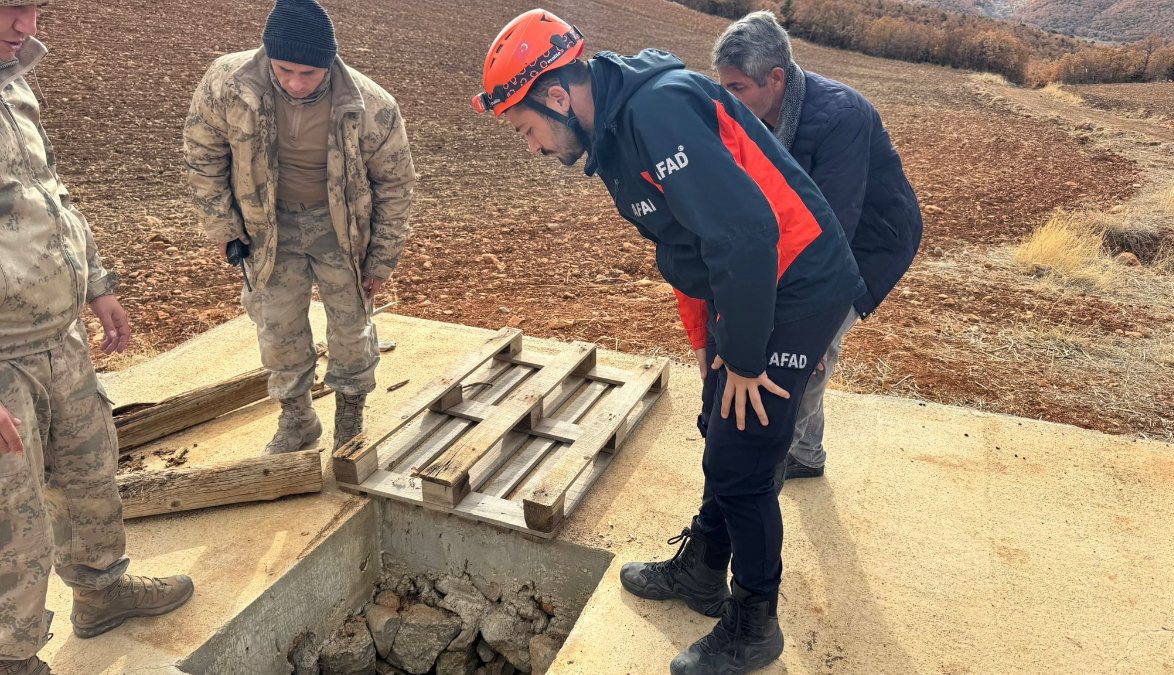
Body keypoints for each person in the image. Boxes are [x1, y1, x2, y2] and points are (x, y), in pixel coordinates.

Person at [472, 10, 864, 674]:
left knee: (745, 456)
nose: (531, 147)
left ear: (558, 97)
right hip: (748, 280)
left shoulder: (656, 112)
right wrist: (709, 345)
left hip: (796, 281)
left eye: (525, 128)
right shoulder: (615, 133)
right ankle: (704, 570)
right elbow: (686, 248)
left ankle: (754, 624)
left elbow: (746, 234)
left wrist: (745, 358)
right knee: (719, 421)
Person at [1, 3, 194, 673]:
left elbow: (49, 196)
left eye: (33, 7)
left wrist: (96, 283)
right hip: (4, 359)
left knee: (89, 474)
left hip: (59, 337)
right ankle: (12, 657)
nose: (26, 26)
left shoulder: (14, 85)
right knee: (12, 520)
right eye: (9, 8)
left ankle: (102, 591)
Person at [183, 0, 417, 453]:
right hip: (267, 228)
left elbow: (396, 185)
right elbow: (202, 153)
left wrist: (381, 259)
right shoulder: (228, 84)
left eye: (309, 73)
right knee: (277, 326)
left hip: (341, 231)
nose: (295, 82)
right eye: (284, 70)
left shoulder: (372, 106)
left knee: (351, 327)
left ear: (330, 62)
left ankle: (349, 415)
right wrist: (224, 225)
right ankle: (297, 418)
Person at [714, 11, 923, 481]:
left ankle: (776, 457)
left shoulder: (840, 117)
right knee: (797, 337)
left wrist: (795, 313)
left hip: (869, 242)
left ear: (775, 78)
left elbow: (831, 232)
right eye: (723, 87)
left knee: (804, 349)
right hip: (814, 233)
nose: (727, 100)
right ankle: (807, 454)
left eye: (737, 88)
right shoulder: (754, 116)